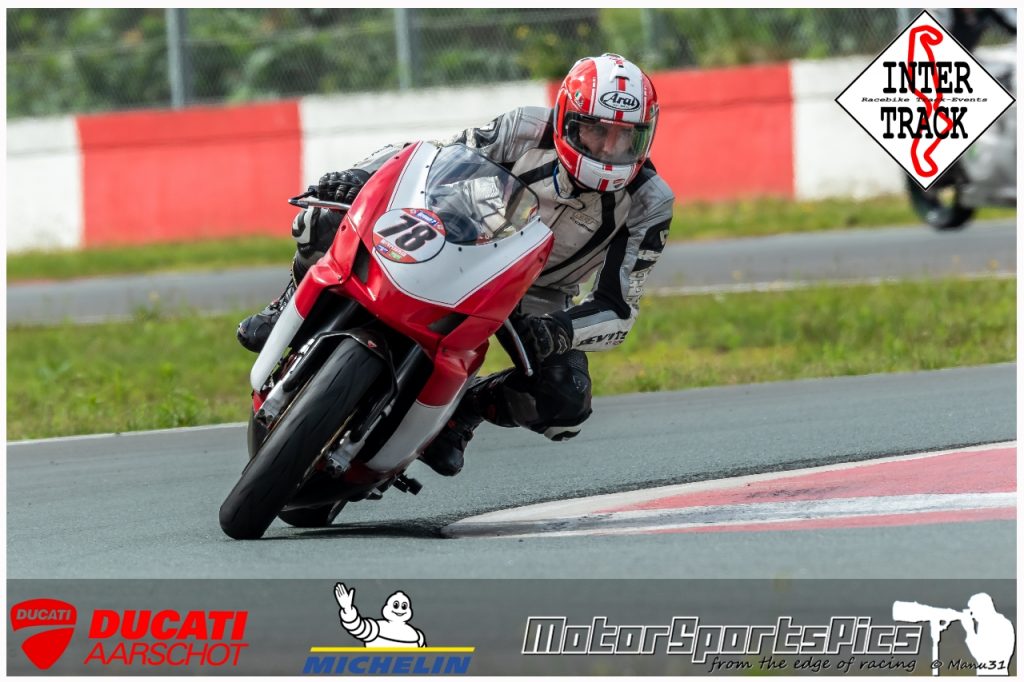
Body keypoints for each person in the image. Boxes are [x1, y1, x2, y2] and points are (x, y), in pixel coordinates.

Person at [237, 53, 675, 477]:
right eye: (597, 131)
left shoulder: (651, 202)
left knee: (565, 401)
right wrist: (361, 177)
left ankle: (462, 413)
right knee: (322, 220)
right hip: (467, 239)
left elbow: (618, 308)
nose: (609, 149)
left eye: (626, 138)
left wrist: (560, 330)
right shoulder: (524, 128)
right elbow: (432, 158)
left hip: (540, 294)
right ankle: (287, 304)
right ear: (567, 121)